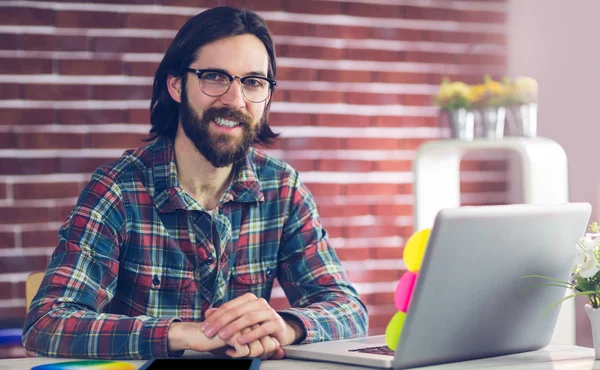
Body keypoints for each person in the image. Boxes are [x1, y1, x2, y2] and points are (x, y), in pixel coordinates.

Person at [22, 6, 368, 360]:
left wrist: (285, 326)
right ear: (175, 85)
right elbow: (47, 322)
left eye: (252, 82)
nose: (235, 100)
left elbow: (348, 309)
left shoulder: (283, 188)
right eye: (214, 77)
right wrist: (183, 334)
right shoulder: (118, 189)